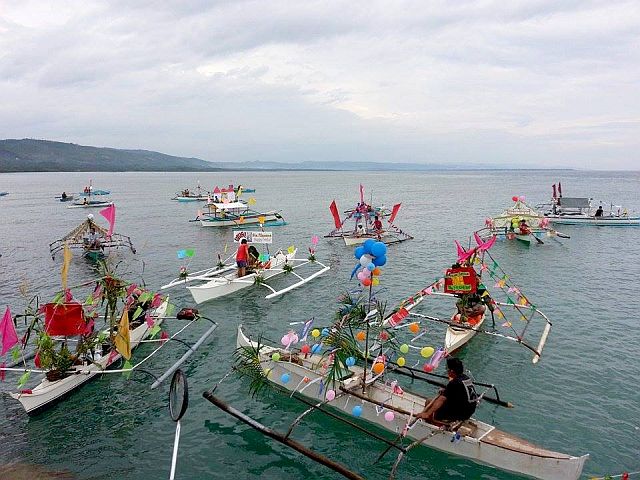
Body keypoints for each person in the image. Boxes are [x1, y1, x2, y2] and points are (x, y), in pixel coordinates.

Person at [416, 358, 478, 425]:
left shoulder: (454, 382)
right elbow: (460, 392)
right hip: (469, 411)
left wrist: (427, 414)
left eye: (448, 369)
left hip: (461, 414)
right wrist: (446, 391)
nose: (447, 371)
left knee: (429, 402)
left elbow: (441, 400)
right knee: (431, 402)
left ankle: (432, 423)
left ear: (451, 371)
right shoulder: (466, 378)